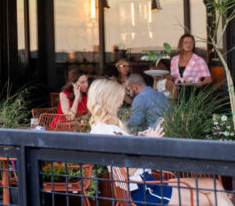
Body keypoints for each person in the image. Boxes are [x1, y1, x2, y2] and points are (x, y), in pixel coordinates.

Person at [88, 78, 231, 206]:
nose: (121, 102)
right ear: (109, 100)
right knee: (206, 198)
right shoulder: (110, 131)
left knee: (213, 185)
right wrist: (150, 144)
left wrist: (141, 139)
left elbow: (125, 156)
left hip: (147, 184)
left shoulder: (102, 128)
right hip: (143, 191)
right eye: (118, 98)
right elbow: (127, 170)